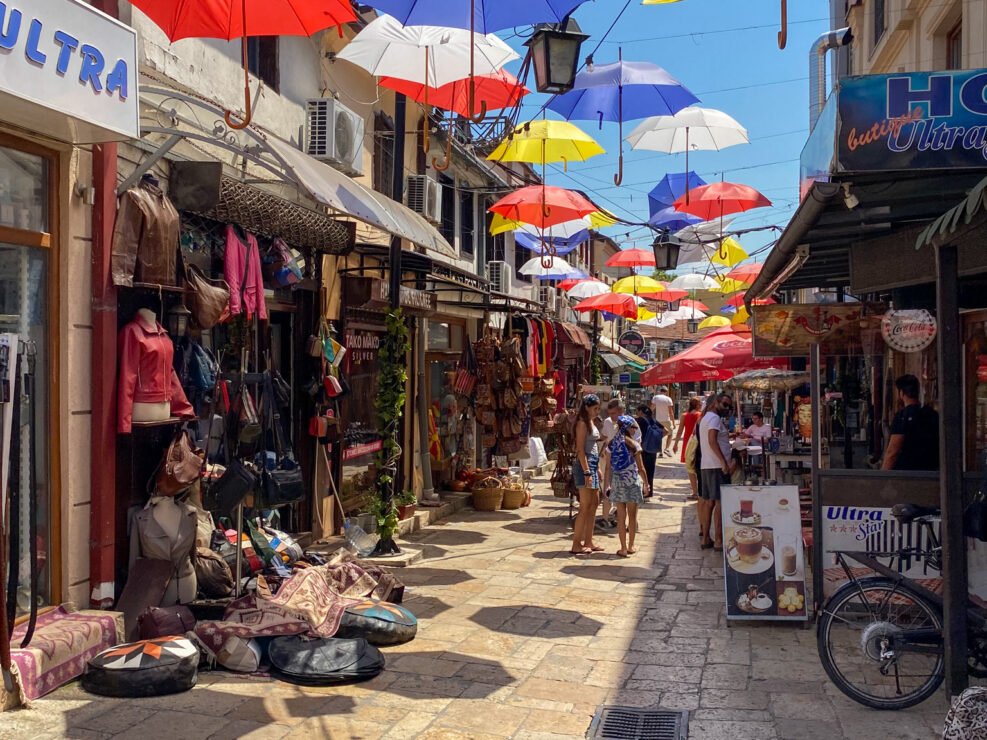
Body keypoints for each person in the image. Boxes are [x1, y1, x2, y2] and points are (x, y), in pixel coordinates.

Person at [603, 415, 648, 557]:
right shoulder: (634, 445)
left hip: (617, 481)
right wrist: (646, 484)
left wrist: (606, 486)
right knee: (633, 517)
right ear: (628, 428)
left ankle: (622, 547)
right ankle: (631, 546)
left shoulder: (611, 444)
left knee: (621, 516)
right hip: (631, 481)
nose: (635, 430)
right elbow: (641, 468)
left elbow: (608, 467)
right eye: (633, 427)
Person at [698, 392, 735, 550]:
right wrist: (723, 462)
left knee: (709, 502)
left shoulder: (705, 418)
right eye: (725, 404)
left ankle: (706, 538)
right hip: (716, 466)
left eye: (729, 406)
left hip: (707, 464)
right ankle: (718, 539)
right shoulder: (714, 418)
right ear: (715, 403)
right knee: (719, 503)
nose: (727, 408)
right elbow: (712, 440)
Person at [882, 374, 940, 471]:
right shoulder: (932, 414)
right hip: (931, 472)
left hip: (907, 474)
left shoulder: (902, 417)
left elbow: (893, 451)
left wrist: (883, 476)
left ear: (901, 393)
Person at [571, 394, 604, 555]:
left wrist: (596, 468)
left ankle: (589, 540)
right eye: (595, 408)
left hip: (593, 465)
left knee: (594, 503)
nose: (597, 411)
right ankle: (576, 543)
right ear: (586, 408)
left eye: (598, 408)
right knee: (585, 506)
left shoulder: (591, 422)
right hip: (584, 466)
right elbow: (580, 449)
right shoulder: (582, 424)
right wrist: (586, 471)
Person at [672, 397, 703, 499]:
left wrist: (675, 443)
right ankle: (701, 491)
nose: (702, 404)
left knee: (690, 468)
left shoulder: (684, 415)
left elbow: (680, 431)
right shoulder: (700, 415)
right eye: (700, 403)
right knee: (699, 467)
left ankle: (694, 492)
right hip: (698, 442)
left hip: (687, 443)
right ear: (697, 405)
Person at [635, 405, 659, 498]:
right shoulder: (653, 420)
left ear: (641, 411)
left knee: (640, 470)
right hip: (652, 449)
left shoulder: (640, 421)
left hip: (643, 449)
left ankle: (642, 491)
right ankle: (649, 492)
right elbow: (665, 431)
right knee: (650, 472)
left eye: (637, 411)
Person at [651, 386, 677, 457]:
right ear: (666, 391)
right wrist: (673, 423)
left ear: (660, 391)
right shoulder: (668, 399)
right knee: (670, 433)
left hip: (658, 420)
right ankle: (666, 449)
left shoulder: (655, 398)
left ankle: (660, 450)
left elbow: (652, 408)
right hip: (666, 419)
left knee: (660, 434)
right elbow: (671, 412)